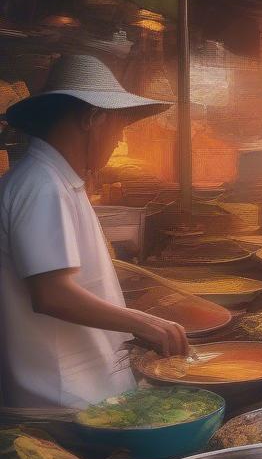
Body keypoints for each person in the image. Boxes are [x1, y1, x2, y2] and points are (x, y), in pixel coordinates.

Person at [0, 54, 189, 409]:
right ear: (92, 118)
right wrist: (145, 323)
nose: (119, 139)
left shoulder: (58, 180)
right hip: (61, 401)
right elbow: (51, 294)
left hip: (87, 392)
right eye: (118, 126)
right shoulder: (42, 184)